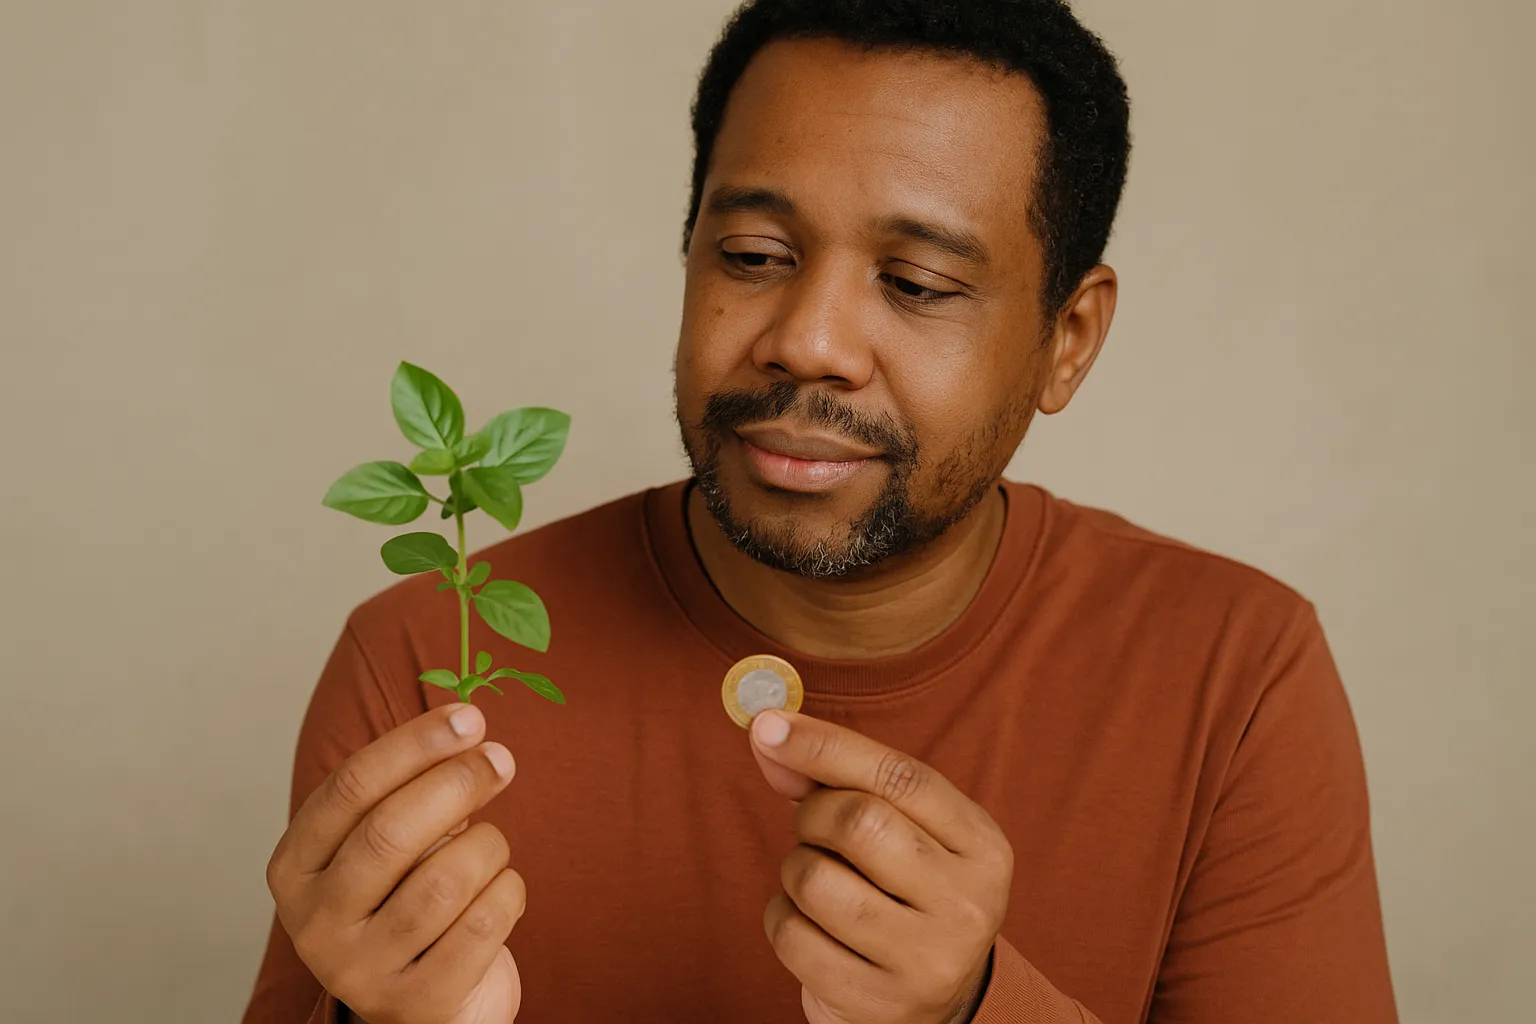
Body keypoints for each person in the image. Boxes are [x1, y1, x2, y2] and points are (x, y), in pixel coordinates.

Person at [244, 2, 1399, 1022]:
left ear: (1068, 339)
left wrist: (977, 1007)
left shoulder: (1237, 670)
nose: (807, 340)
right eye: (752, 254)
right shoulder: (427, 664)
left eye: (916, 285)